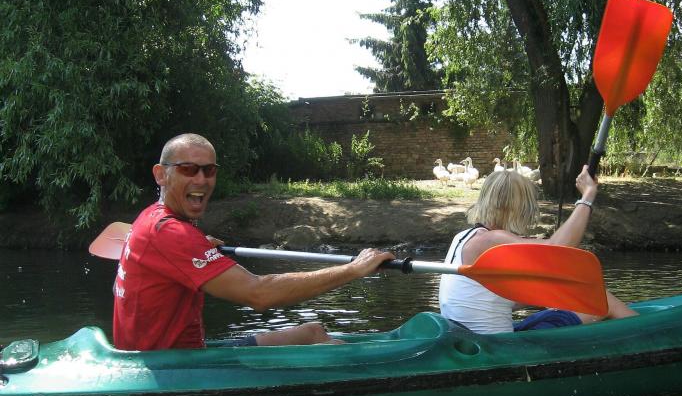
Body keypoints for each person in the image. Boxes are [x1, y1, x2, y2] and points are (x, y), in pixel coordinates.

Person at [113, 133, 394, 350]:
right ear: (161, 175)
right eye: (188, 169)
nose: (201, 179)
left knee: (314, 332)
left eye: (209, 171)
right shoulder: (171, 234)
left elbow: (174, 250)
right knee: (331, 348)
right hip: (176, 368)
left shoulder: (150, 218)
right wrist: (354, 269)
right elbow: (259, 294)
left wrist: (196, 246)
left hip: (185, 355)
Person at [439, 166, 637, 334]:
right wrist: (587, 195)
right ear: (516, 209)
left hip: (474, 339)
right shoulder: (491, 239)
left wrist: (550, 295)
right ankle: (648, 335)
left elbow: (487, 301)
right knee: (602, 300)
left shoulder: (464, 237)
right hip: (497, 345)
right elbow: (556, 250)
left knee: (568, 305)